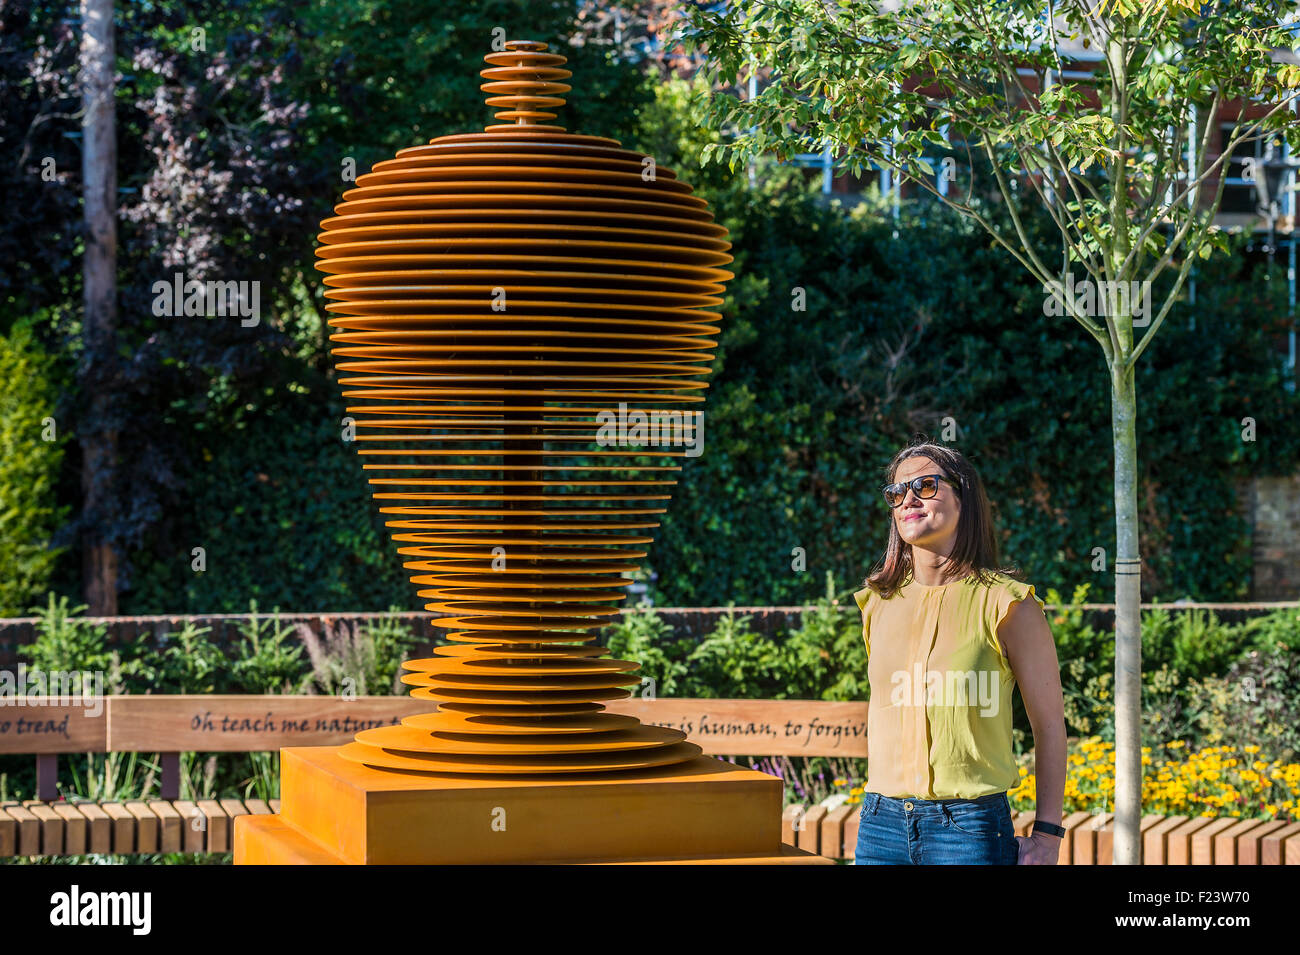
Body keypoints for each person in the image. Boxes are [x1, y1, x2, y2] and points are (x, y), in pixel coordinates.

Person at [853, 439, 1066, 865]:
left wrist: (1047, 834)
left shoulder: (1009, 604)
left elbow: (1049, 726)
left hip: (968, 830)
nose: (908, 499)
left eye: (926, 485)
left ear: (964, 496)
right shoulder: (876, 603)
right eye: (897, 492)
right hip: (879, 826)